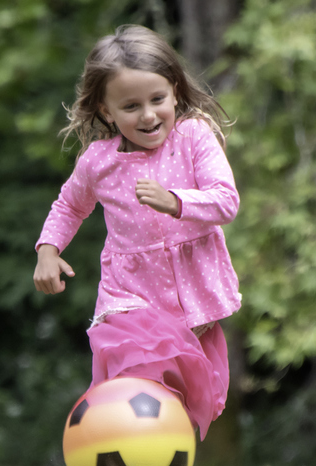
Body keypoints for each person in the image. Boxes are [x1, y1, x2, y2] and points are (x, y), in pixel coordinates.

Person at [33, 25, 241, 440]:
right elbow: (70, 205)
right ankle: (121, 454)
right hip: (130, 298)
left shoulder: (194, 137)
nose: (148, 115)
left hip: (193, 298)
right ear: (107, 111)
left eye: (157, 100)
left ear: (176, 92)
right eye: (131, 106)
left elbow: (226, 201)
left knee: (177, 403)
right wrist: (48, 250)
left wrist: (176, 201)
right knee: (137, 379)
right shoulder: (98, 162)